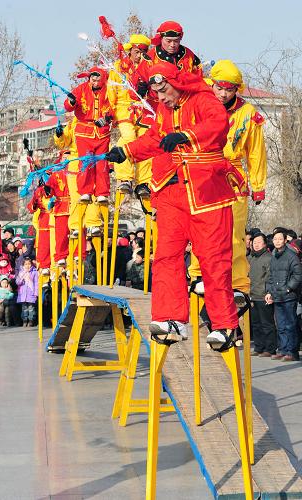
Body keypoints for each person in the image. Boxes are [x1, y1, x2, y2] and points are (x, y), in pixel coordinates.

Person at [107, 62, 246, 345]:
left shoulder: (203, 98)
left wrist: (186, 136)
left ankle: (226, 325)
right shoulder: (163, 109)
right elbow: (155, 139)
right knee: (166, 257)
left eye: (164, 91)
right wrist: (127, 151)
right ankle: (170, 319)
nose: (162, 98)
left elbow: (218, 124)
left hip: (207, 193)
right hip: (171, 191)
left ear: (177, 82)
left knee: (213, 260)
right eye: (157, 94)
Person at [190, 61, 267, 300]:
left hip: (233, 175)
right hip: (202, 171)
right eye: (220, 87)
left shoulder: (248, 113)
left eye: (230, 89)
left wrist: (259, 184)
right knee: (202, 228)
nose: (223, 93)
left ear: (236, 89)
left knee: (234, 231)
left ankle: (236, 282)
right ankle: (198, 275)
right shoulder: (197, 104)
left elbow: (256, 151)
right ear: (212, 84)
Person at [107, 33, 152, 195]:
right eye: (137, 52)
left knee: (146, 142)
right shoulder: (118, 67)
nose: (140, 56)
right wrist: (109, 112)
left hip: (143, 108)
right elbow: (111, 91)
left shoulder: (149, 67)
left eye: (143, 52)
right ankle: (125, 177)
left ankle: (144, 181)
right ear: (130, 51)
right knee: (129, 137)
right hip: (123, 107)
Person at [64, 67, 113, 202]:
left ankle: (102, 192)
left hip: (102, 133)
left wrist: (107, 118)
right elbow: (68, 106)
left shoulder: (109, 90)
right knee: (86, 163)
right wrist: (72, 102)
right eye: (93, 80)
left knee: (102, 163)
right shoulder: (81, 89)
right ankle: (85, 191)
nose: (95, 83)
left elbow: (114, 107)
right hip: (84, 132)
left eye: (98, 80)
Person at [54, 115, 103, 237]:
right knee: (76, 196)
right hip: (76, 161)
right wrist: (59, 135)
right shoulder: (72, 125)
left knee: (91, 192)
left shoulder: (93, 118)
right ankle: (75, 225)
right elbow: (63, 143)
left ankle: (93, 223)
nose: (67, 115)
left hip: (90, 160)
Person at [265, 230, 302, 361]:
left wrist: (288, 288)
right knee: (280, 325)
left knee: (290, 324)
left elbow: (298, 275)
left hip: (289, 296)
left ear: (285, 240)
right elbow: (270, 277)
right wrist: (269, 292)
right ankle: (282, 349)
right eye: (275, 239)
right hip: (277, 296)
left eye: (280, 239)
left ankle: (292, 352)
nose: (277, 241)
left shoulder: (292, 256)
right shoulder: (273, 256)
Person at [248, 233, 277, 356]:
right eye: (254, 242)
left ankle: (269, 348)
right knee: (256, 324)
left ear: (265, 244)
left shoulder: (269, 258)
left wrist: (269, 292)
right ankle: (259, 347)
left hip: (264, 295)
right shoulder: (251, 258)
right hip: (253, 295)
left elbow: (271, 276)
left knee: (267, 324)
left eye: (259, 242)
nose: (256, 244)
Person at [27, 182, 52, 273]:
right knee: (44, 245)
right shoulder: (39, 192)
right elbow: (31, 208)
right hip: (44, 222)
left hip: (55, 218)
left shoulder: (54, 187)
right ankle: (44, 266)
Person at [15, 257, 38, 327]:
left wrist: (36, 293)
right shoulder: (21, 272)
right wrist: (22, 278)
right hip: (23, 294)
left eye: (29, 264)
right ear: (23, 265)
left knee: (31, 308)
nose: (27, 266)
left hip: (31, 293)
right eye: (26, 264)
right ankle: (25, 320)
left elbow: (36, 283)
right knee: (24, 308)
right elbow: (17, 282)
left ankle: (31, 320)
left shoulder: (34, 272)